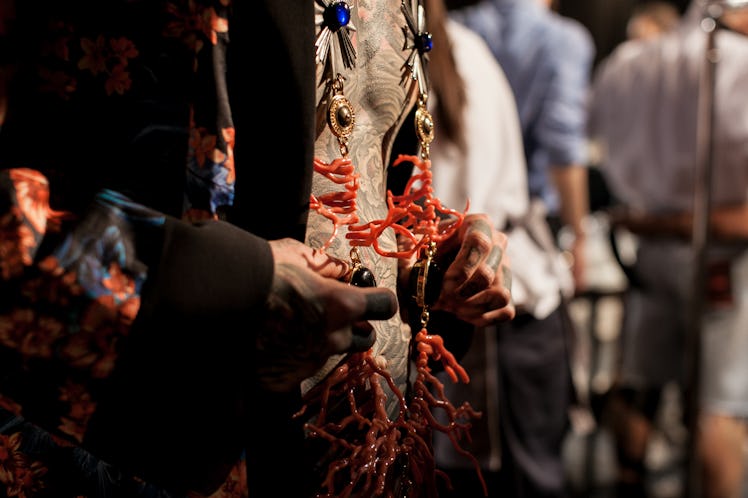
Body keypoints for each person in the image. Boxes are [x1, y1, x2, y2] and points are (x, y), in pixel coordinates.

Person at [0, 1, 515, 497]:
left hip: (370, 448)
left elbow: (362, 177)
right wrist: (224, 288)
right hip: (168, 445)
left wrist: (428, 265)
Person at [588, 1, 748, 497]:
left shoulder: (630, 62)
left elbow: (592, 139)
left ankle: (627, 483)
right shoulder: (738, 63)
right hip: (722, 259)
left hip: (650, 253)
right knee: (717, 410)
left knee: (640, 385)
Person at [435, 0, 594, 496]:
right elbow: (563, 148)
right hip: (501, 283)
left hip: (472, 278)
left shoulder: (462, 34)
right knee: (522, 473)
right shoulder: (467, 45)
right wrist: (580, 237)